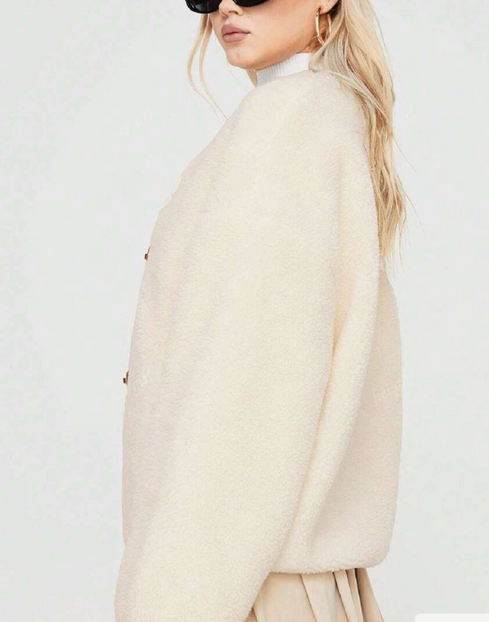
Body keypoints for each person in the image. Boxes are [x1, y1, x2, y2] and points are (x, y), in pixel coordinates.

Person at [114, 0, 406, 620]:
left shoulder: (283, 125)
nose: (226, 6)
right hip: (291, 581)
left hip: (242, 583)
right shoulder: (325, 119)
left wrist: (167, 599)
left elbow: (244, 391)